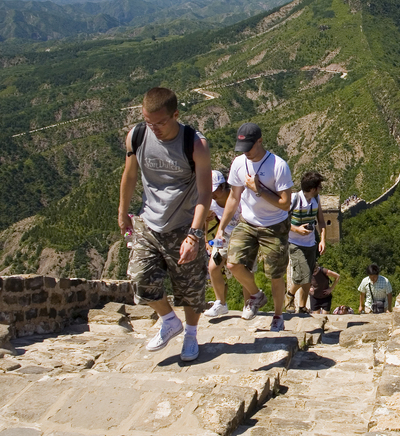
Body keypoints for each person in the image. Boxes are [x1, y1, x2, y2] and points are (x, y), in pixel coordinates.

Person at [118, 87, 211, 363]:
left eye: (160, 122)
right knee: (139, 278)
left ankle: (191, 334)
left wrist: (194, 235)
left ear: (175, 114)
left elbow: (205, 193)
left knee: (191, 289)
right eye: (149, 122)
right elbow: (130, 175)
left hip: (184, 225)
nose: (154, 129)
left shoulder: (195, 145)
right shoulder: (137, 136)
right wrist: (123, 212)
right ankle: (169, 320)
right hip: (148, 221)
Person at [215, 122, 293, 332]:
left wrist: (258, 190)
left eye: (249, 147)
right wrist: (221, 227)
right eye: (242, 148)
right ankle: (256, 296)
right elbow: (233, 196)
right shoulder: (239, 163)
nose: (246, 152)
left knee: (275, 275)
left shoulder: (278, 165)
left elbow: (285, 203)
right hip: (248, 222)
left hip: (274, 225)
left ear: (260, 141)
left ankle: (278, 316)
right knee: (233, 264)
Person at [286, 171, 327, 315]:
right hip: (294, 242)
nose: (320, 189)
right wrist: (296, 229)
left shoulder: (316, 199)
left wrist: (322, 240)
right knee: (301, 275)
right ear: (313, 188)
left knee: (308, 276)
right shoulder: (294, 199)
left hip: (311, 243)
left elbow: (321, 221)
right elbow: (281, 219)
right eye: (319, 186)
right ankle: (289, 295)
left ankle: (302, 307)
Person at [204, 170, 237, 318]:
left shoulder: (236, 197)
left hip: (241, 235)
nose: (213, 194)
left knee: (243, 269)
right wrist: (206, 240)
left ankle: (249, 303)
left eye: (215, 190)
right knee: (213, 267)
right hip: (222, 236)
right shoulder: (211, 203)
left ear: (223, 186)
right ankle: (220, 303)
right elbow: (205, 220)